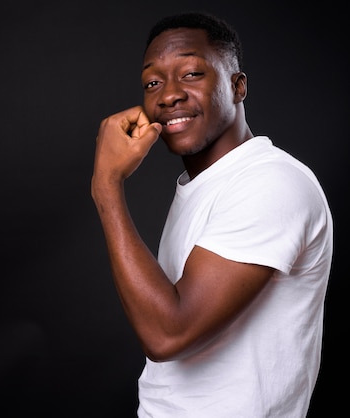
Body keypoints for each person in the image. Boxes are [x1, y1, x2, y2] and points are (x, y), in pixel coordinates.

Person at [91, 11, 333, 417]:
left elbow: (168, 334)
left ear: (238, 86)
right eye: (153, 82)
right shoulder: (207, 184)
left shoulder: (271, 183)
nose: (168, 95)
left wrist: (105, 186)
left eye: (190, 74)